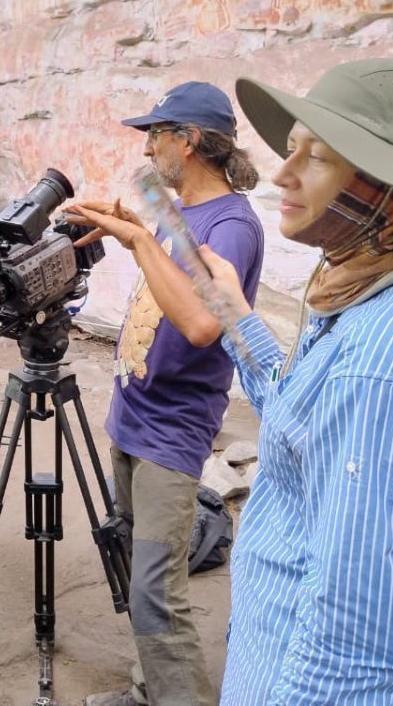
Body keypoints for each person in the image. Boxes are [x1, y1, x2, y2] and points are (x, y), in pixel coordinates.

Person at [197, 59, 393, 704]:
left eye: (318, 159)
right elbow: (302, 414)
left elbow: (352, 636)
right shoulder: (387, 293)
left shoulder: (381, 362)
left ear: (389, 187)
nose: (282, 175)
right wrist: (234, 309)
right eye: (291, 151)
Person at [65, 81, 265, 706]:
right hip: (132, 418)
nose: (149, 150)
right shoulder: (182, 215)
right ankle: (147, 688)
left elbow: (206, 323)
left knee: (156, 589)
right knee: (136, 566)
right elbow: (171, 270)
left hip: (170, 435)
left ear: (191, 140)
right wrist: (131, 225)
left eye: (157, 135)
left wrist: (139, 240)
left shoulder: (232, 224)